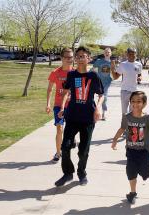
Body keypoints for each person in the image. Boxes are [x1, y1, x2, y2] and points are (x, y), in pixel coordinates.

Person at [54, 46, 104, 187]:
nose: (80, 58)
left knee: (83, 151)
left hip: (87, 119)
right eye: (78, 56)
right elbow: (65, 92)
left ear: (89, 58)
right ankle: (68, 173)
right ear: (75, 59)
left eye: (83, 56)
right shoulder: (71, 75)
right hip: (72, 117)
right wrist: (63, 107)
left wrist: (98, 108)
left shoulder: (93, 76)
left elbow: (101, 94)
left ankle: (82, 173)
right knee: (65, 146)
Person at [112, 91, 149, 204]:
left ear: (144, 103)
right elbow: (122, 129)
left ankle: (143, 173)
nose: (135, 104)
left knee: (146, 173)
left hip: (144, 151)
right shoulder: (127, 117)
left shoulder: (148, 118)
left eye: (139, 101)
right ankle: (132, 192)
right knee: (131, 171)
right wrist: (115, 140)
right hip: (131, 150)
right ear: (130, 103)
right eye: (133, 101)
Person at [46, 48, 74, 162]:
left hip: (73, 106)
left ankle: (72, 140)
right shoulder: (55, 73)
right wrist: (48, 104)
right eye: (67, 57)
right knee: (59, 128)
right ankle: (58, 153)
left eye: (71, 57)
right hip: (58, 105)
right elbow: (49, 90)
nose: (69, 59)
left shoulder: (76, 73)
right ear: (61, 58)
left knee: (71, 129)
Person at [111, 48, 142, 115]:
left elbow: (139, 74)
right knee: (124, 113)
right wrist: (113, 69)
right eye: (131, 54)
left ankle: (130, 125)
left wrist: (140, 78)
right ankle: (124, 125)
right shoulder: (123, 64)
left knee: (133, 112)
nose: (133, 56)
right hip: (124, 91)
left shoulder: (139, 64)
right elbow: (115, 77)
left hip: (134, 91)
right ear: (127, 55)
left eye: (134, 54)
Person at [92, 48, 113, 120]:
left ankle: (104, 112)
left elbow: (115, 72)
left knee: (104, 97)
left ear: (111, 54)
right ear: (104, 54)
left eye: (109, 52)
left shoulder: (112, 63)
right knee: (100, 96)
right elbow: (93, 69)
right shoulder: (99, 61)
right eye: (106, 52)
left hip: (107, 82)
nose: (107, 53)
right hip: (99, 82)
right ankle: (97, 111)